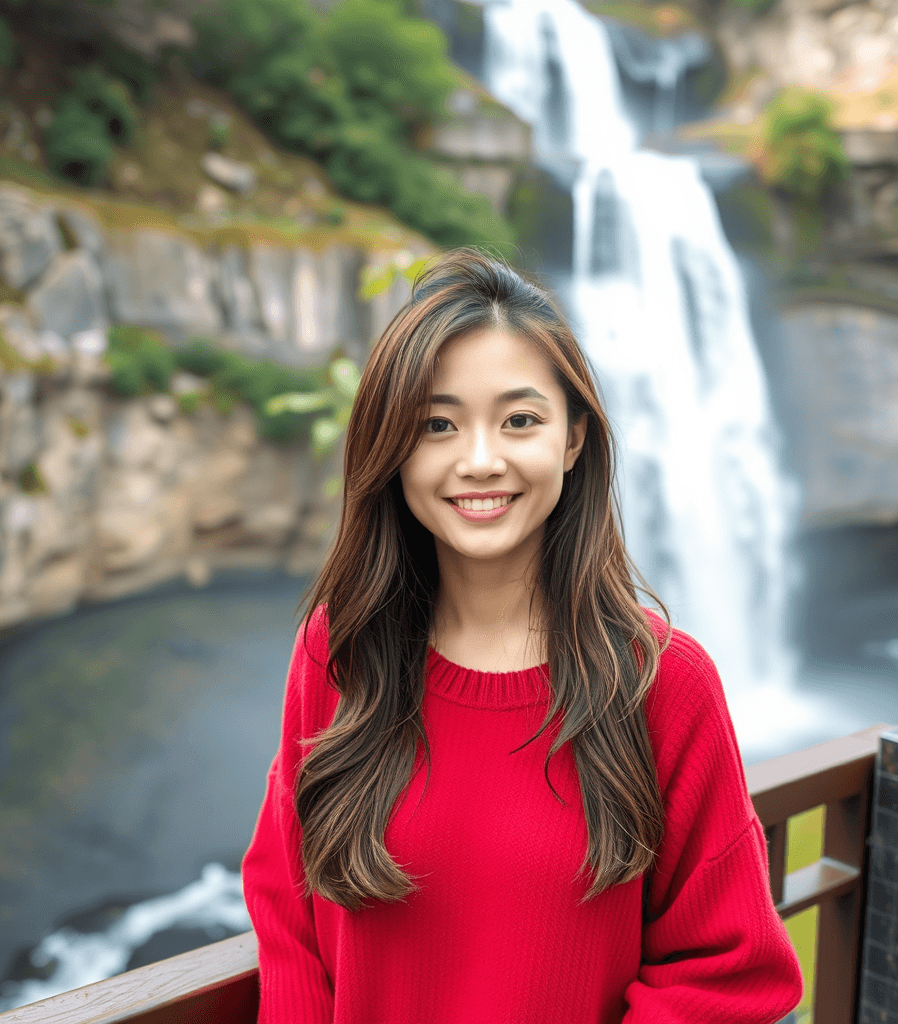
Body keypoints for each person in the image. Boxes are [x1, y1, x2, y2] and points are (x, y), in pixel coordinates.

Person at [241, 249, 804, 1023]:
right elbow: (285, 901)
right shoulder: (340, 651)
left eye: (520, 421)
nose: (480, 460)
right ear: (394, 449)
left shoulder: (662, 682)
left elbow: (731, 969)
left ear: (573, 441)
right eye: (438, 424)